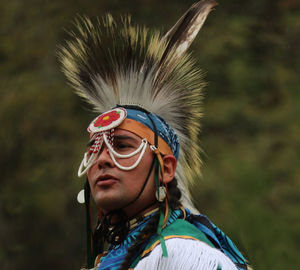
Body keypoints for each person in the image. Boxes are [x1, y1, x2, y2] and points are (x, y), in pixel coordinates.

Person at [59, 0, 250, 269]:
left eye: (122, 145)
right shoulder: (120, 258)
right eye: (95, 148)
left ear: (167, 168)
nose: (101, 159)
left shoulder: (182, 254)